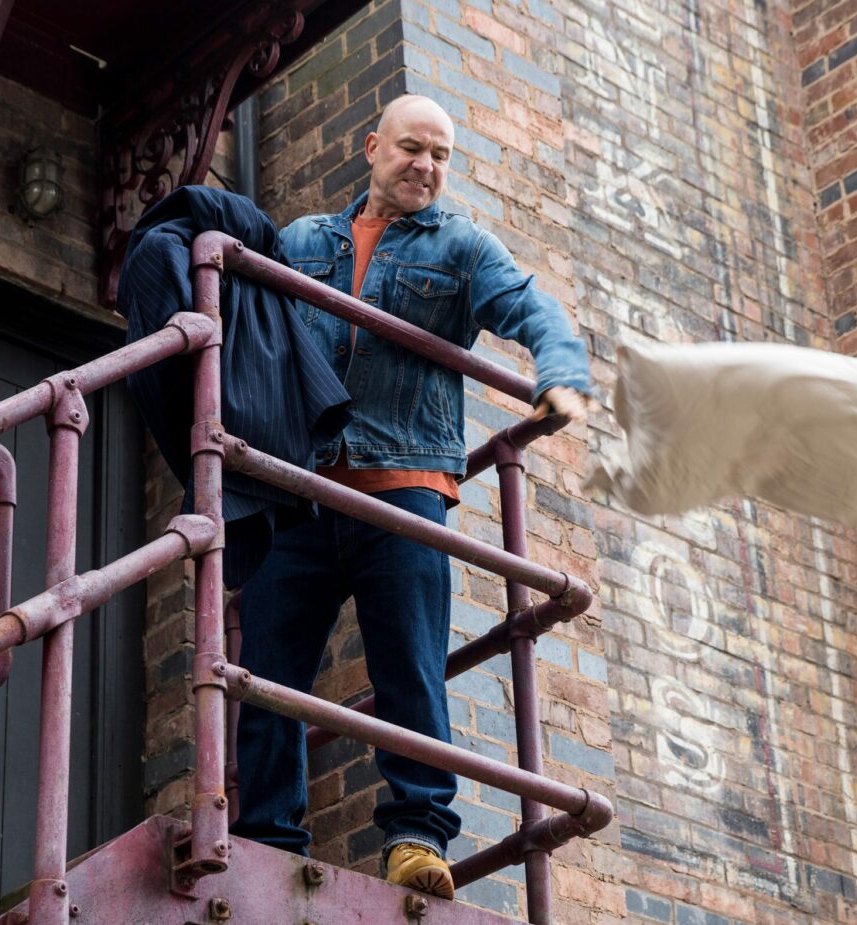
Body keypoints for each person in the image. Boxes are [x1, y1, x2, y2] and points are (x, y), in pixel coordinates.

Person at [232, 94, 592, 899]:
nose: (425, 166)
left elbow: (528, 303)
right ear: (372, 148)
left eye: (440, 154)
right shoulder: (303, 241)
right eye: (410, 148)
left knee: (411, 668)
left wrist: (561, 370)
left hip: (404, 490)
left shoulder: (460, 247)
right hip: (300, 490)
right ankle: (266, 837)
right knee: (268, 672)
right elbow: (247, 326)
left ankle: (416, 837)